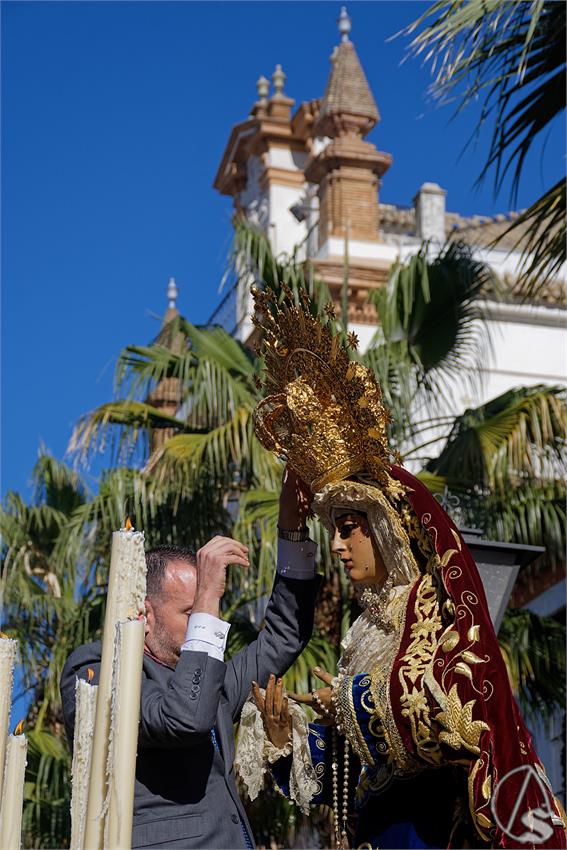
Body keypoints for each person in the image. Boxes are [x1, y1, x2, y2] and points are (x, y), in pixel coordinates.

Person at [235, 284, 567, 850]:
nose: (338, 548)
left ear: (385, 527)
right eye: (333, 532)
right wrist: (285, 733)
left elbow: (457, 713)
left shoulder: (439, 612)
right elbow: (348, 775)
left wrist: (351, 704)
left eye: (348, 529)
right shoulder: (366, 630)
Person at [61, 468, 320, 850]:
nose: (206, 624)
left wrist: (292, 530)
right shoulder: (96, 667)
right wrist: (207, 600)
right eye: (192, 612)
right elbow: (183, 718)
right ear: (145, 614)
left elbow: (285, 634)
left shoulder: (209, 678)